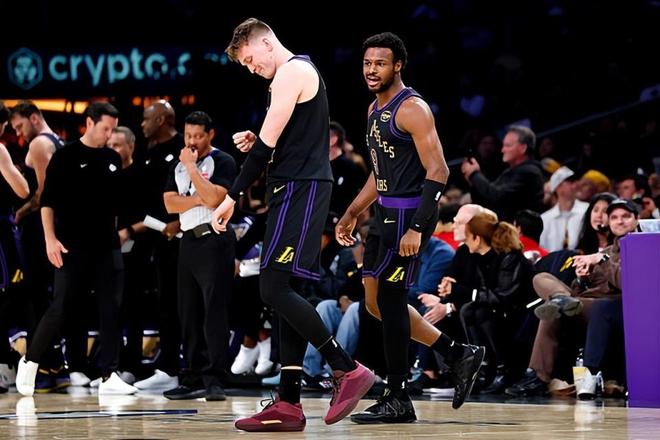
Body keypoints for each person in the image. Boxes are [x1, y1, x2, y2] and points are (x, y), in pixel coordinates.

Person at [212, 18, 374, 432]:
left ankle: (346, 367)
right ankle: (288, 402)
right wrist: (261, 144)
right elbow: (281, 141)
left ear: (266, 43)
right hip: (295, 186)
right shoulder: (290, 76)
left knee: (272, 287)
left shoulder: (292, 72)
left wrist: (231, 196)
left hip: (300, 189)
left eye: (251, 59)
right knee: (287, 293)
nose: (252, 69)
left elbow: (267, 147)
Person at [335, 32, 484, 424]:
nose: (371, 70)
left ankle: (398, 395)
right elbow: (379, 172)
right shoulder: (373, 109)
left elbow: (439, 170)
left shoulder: (413, 108)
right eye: (367, 63)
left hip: (408, 217)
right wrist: (353, 211)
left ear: (398, 65)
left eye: (380, 63)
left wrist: (417, 228)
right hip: (383, 215)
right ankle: (458, 353)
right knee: (373, 303)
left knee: (390, 301)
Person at [15, 102, 136, 396]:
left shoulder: (112, 158)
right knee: (61, 307)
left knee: (110, 309)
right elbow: (47, 202)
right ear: (90, 123)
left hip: (107, 246)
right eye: (106, 128)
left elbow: (115, 204)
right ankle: (30, 361)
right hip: (72, 246)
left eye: (113, 129)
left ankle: (109, 374)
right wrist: (50, 239)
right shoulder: (65, 156)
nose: (109, 135)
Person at [163, 111, 237, 401]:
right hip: (188, 241)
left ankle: (215, 377)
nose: (191, 141)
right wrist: (197, 198)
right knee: (189, 312)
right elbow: (169, 204)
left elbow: (216, 198)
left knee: (214, 311)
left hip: (214, 239)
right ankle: (193, 375)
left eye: (197, 136)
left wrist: (193, 169)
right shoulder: (178, 165)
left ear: (210, 135)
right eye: (187, 135)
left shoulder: (223, 160)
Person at [133, 100, 183, 391]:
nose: (142, 124)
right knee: (163, 304)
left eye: (146, 118)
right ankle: (167, 367)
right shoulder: (148, 152)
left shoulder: (182, 148)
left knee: (182, 305)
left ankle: (184, 367)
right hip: (153, 236)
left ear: (161, 119)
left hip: (181, 238)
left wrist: (179, 221)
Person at [461, 125, 545, 221]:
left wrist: (474, 174)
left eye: (508, 145)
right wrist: (473, 180)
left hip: (520, 228)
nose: (502, 150)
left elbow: (498, 197)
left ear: (523, 148)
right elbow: (486, 199)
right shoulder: (509, 171)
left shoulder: (529, 172)